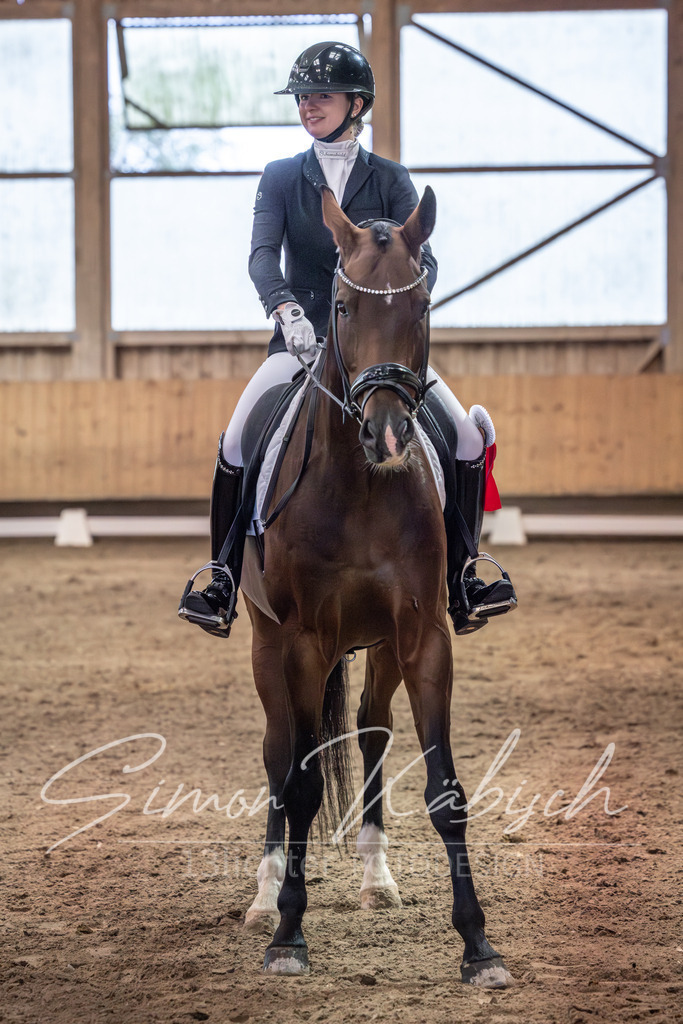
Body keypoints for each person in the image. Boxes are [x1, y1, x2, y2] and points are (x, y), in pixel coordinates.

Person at [178, 40, 516, 639]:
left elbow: (425, 260)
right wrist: (285, 309)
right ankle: (222, 577)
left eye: (321, 96)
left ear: (356, 103)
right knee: (235, 440)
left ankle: (465, 575)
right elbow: (261, 255)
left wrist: (390, 307)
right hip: (301, 344)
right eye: (303, 97)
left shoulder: (390, 179)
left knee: (465, 434)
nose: (309, 106)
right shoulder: (282, 177)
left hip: (383, 349)